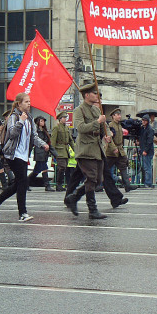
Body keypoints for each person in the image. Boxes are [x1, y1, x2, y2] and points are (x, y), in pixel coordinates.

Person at [0, 92, 49, 222]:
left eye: (29, 101)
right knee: (23, 182)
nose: (29, 104)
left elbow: (34, 136)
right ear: (19, 104)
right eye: (26, 102)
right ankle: (22, 213)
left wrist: (43, 144)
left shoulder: (29, 117)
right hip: (13, 154)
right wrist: (20, 122)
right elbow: (11, 133)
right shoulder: (14, 117)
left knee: (19, 183)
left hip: (23, 155)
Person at [64, 83, 110, 219]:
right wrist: (97, 122)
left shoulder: (96, 110)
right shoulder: (79, 110)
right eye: (94, 93)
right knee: (91, 178)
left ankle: (73, 198)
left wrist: (106, 135)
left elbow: (102, 128)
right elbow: (81, 128)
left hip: (97, 149)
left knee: (97, 180)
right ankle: (92, 209)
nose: (97, 96)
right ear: (87, 95)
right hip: (85, 149)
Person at [106, 108, 136, 192]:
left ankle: (127, 185)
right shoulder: (111, 125)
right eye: (117, 115)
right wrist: (113, 148)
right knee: (105, 169)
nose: (119, 116)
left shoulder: (119, 125)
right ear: (113, 116)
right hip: (111, 152)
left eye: (120, 114)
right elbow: (109, 138)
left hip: (119, 150)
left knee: (123, 167)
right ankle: (97, 185)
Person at [28, 116, 57, 192]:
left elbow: (48, 143)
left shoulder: (44, 131)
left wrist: (55, 154)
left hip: (44, 152)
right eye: (41, 121)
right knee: (44, 168)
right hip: (39, 152)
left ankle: (26, 183)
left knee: (36, 171)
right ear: (37, 122)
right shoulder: (36, 132)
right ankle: (47, 185)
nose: (43, 122)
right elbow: (36, 142)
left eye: (43, 121)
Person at [50, 111, 75, 192]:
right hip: (59, 150)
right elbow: (53, 140)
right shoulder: (56, 128)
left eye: (65, 118)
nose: (65, 119)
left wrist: (75, 150)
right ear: (60, 119)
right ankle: (58, 184)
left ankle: (60, 184)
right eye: (64, 118)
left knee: (63, 168)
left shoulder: (66, 128)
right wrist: (52, 151)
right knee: (62, 167)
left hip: (65, 150)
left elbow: (70, 140)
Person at [139, 114, 155, 188]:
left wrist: (145, 150)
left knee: (147, 167)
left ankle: (148, 183)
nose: (143, 122)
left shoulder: (150, 129)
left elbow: (149, 141)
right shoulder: (143, 129)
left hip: (147, 151)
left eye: (145, 120)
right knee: (146, 167)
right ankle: (146, 182)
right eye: (143, 120)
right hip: (144, 150)